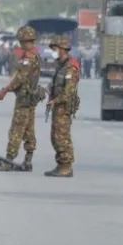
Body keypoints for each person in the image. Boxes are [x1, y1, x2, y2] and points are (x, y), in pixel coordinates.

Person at [0, 26, 45, 172]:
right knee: (29, 130)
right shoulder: (35, 56)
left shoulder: (28, 58)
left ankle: (8, 160)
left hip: (24, 98)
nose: (21, 45)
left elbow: (20, 78)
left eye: (23, 42)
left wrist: (5, 90)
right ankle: (28, 161)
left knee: (16, 129)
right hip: (31, 97)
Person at [44, 36, 81, 177]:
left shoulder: (70, 67)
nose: (53, 52)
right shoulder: (61, 65)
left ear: (62, 50)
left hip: (63, 106)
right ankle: (60, 164)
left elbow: (69, 91)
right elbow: (56, 84)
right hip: (57, 105)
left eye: (55, 49)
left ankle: (66, 166)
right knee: (55, 136)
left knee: (62, 137)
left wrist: (55, 100)